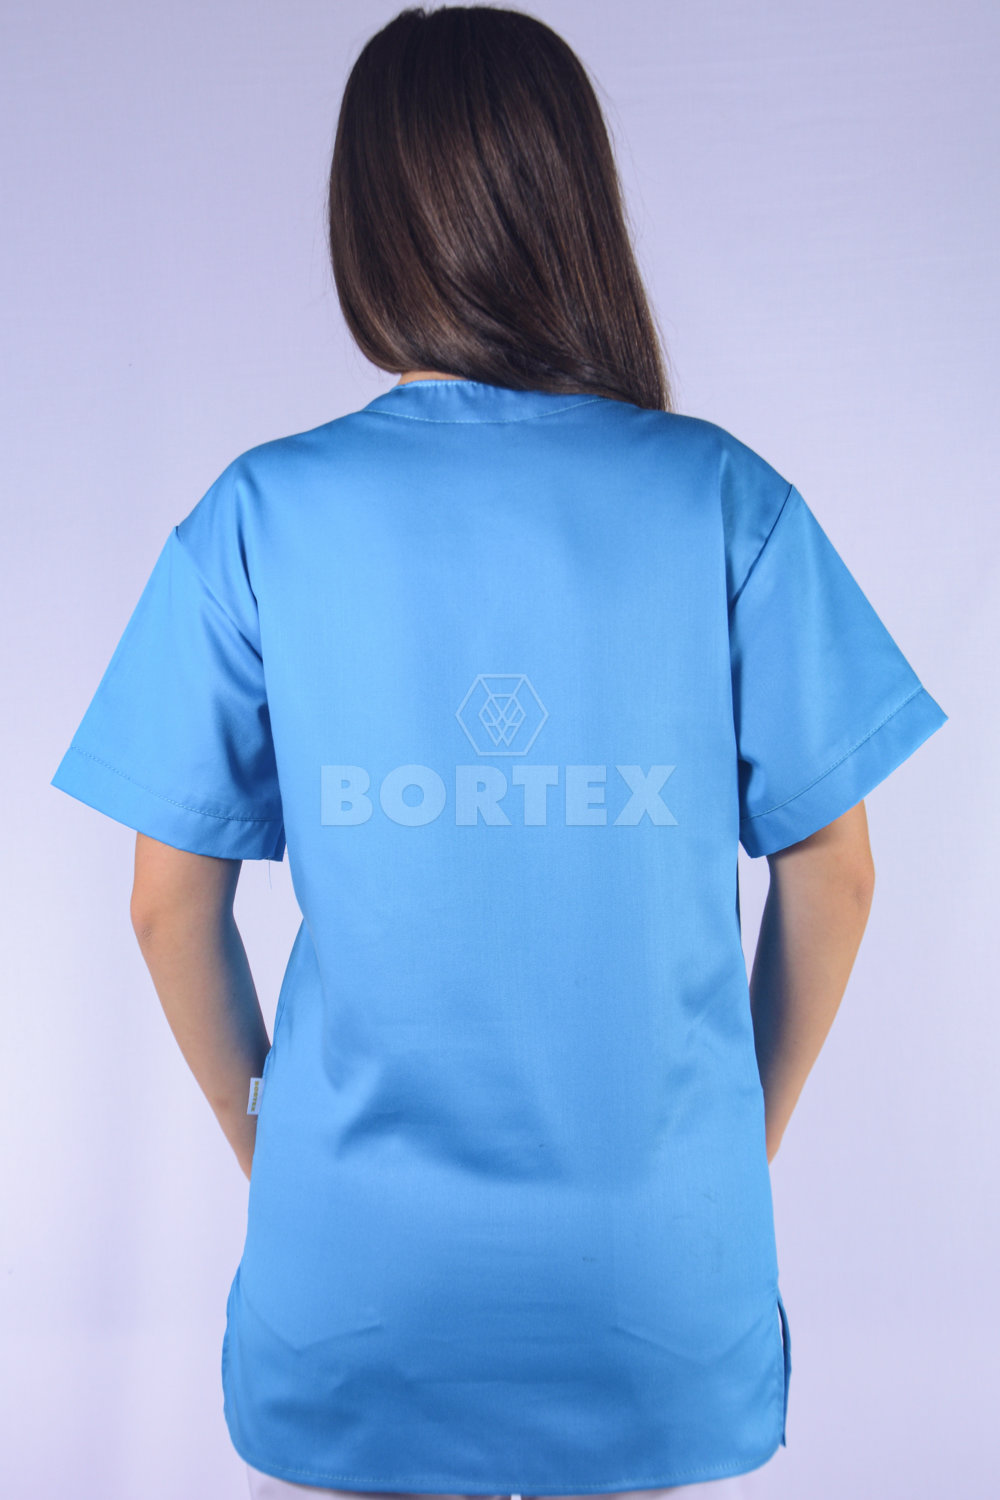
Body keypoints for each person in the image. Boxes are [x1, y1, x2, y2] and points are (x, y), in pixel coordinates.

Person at [50, 6, 948, 1500]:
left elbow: (165, 907)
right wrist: (733, 1147)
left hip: (354, 1287)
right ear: (574, 201)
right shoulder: (725, 501)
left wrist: (281, 1152)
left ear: (367, 222)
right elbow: (837, 876)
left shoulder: (258, 518)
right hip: (657, 1290)